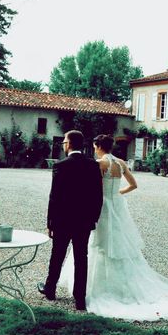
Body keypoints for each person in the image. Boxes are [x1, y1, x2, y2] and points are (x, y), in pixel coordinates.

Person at [58, 134, 168, 321]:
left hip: (101, 206)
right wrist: (118, 193)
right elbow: (133, 185)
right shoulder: (120, 163)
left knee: (97, 243)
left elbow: (92, 188)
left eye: (95, 146)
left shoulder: (99, 164)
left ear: (97, 146)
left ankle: (97, 287)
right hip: (117, 205)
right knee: (118, 243)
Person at [37, 130, 103, 311]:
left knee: (57, 255)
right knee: (81, 258)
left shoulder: (61, 165)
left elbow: (54, 197)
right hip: (84, 221)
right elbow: (98, 196)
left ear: (70, 144)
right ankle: (79, 299)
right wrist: (93, 219)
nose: (64, 145)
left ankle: (50, 289)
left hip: (63, 220)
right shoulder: (93, 165)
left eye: (65, 142)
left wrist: (50, 222)